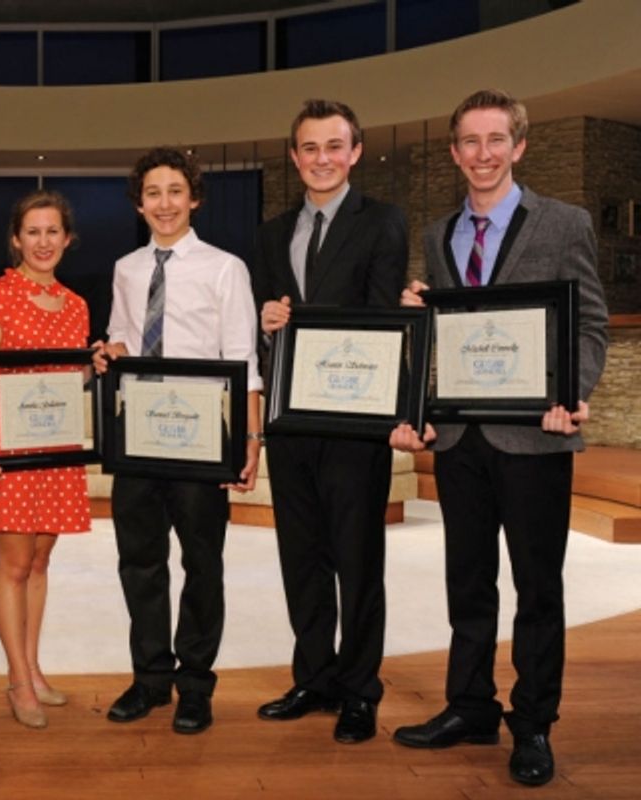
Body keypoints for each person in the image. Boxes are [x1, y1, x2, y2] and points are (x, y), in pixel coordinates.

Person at [391, 89, 608, 786]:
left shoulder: (564, 222)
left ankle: (534, 723)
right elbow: (444, 338)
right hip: (460, 438)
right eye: (470, 142)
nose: (482, 154)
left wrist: (570, 395)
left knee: (537, 586)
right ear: (455, 152)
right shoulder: (437, 234)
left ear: (518, 146)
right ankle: (470, 705)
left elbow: (589, 324)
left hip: (535, 438)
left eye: (496, 140)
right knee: (468, 580)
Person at [249, 100, 407, 744]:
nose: (322, 159)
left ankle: (359, 690)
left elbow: (384, 325)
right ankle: (314, 677)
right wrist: (265, 326)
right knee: (302, 559)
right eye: (310, 148)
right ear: (294, 156)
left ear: (356, 151)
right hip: (291, 425)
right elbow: (261, 332)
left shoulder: (383, 224)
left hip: (352, 422)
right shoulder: (268, 234)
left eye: (334, 146)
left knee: (358, 562)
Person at [95, 147, 263, 735]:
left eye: (174, 191)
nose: (163, 203)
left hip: (202, 439)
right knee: (140, 562)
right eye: (152, 193)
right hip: (139, 434)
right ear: (139, 204)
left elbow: (244, 357)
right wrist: (109, 350)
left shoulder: (225, 268)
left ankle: (195, 684)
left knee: (202, 562)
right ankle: (150, 680)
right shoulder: (126, 269)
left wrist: (249, 438)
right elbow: (121, 334)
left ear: (194, 198)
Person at [0, 190, 91, 729]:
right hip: (12, 455)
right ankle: (18, 678)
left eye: (53, 232)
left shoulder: (77, 305)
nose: (43, 242)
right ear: (16, 239)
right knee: (14, 566)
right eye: (33, 232)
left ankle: (33, 666)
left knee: (41, 563)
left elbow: (67, 380)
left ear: (67, 239)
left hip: (57, 452)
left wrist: (95, 369)